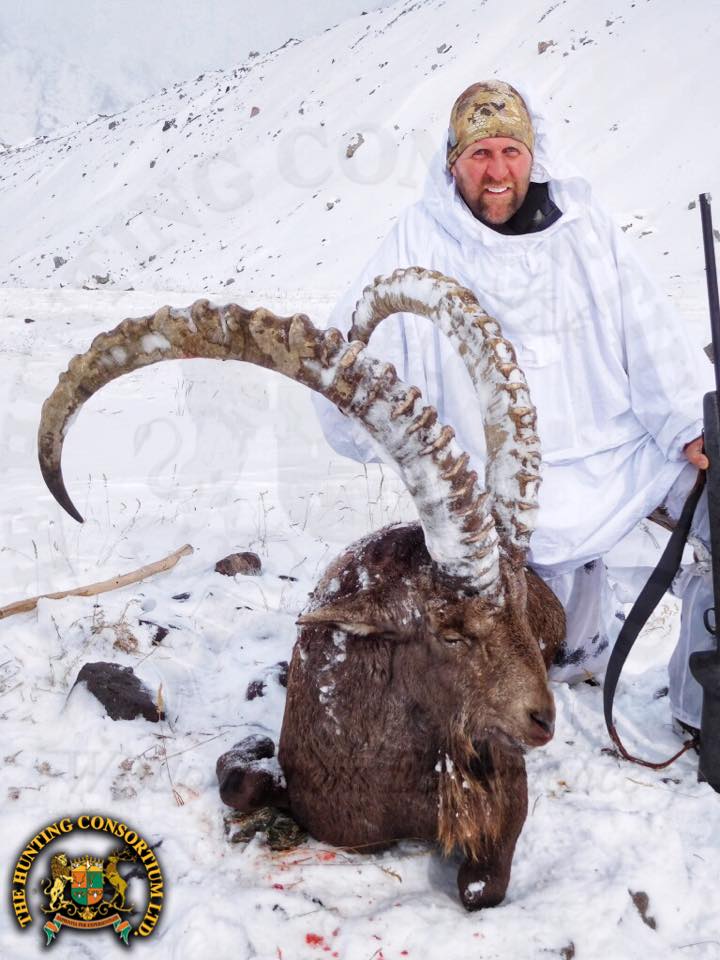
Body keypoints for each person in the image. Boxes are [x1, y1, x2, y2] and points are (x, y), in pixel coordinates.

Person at [312, 80, 713, 737]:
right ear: (452, 162)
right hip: (500, 504)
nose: (497, 172)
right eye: (479, 156)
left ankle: (703, 713)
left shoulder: (584, 229)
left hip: (618, 462)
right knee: (527, 662)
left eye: (510, 152)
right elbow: (356, 357)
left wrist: (690, 425)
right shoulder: (419, 241)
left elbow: (651, 336)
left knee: (719, 510)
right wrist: (375, 422)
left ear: (535, 155)